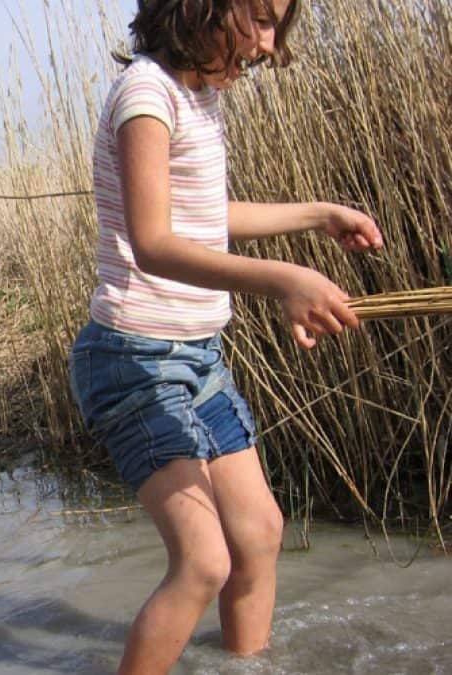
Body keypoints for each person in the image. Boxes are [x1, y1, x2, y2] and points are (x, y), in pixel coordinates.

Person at [67, 2, 385, 672]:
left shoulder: (199, 96)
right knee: (204, 559)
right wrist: (282, 281)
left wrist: (317, 214)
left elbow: (207, 214)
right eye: (261, 19)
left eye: (279, 26)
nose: (270, 45)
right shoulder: (147, 96)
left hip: (198, 358)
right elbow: (153, 243)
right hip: (133, 360)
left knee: (260, 532)